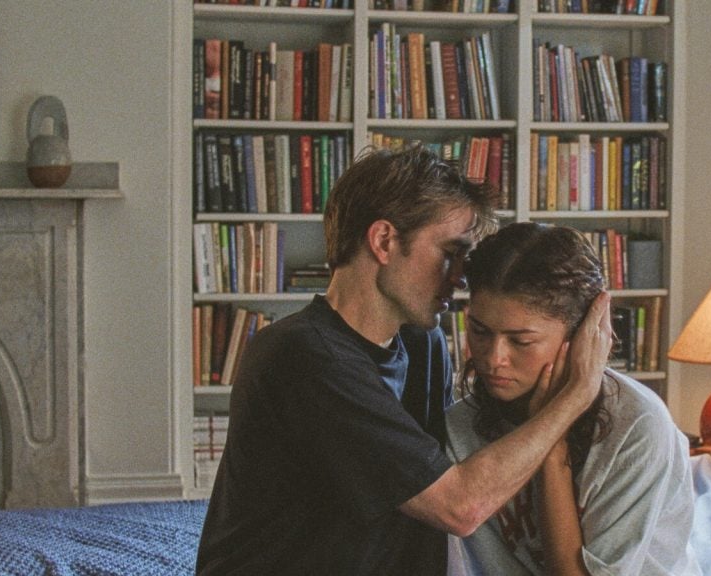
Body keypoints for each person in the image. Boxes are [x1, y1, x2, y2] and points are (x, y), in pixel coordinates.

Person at [196, 146, 614, 575]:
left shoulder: (422, 342)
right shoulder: (301, 355)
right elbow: (459, 507)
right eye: (450, 253)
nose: (461, 277)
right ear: (384, 241)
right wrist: (576, 394)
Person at [446, 222, 701, 576]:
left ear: (584, 334)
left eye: (521, 341)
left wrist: (552, 444)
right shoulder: (459, 424)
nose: (493, 358)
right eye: (479, 331)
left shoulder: (638, 426)